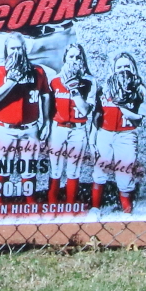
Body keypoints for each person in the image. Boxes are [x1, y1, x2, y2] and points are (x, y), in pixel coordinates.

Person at [0, 35, 51, 207]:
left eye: (19, 48)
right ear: (6, 51)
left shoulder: (37, 71)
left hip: (30, 128)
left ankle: (30, 204)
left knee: (29, 169)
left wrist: (46, 122)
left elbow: (45, 95)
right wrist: (11, 82)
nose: (16, 52)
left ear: (25, 49)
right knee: (2, 168)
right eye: (12, 48)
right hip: (4, 128)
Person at [91, 53, 145, 213]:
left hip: (126, 134)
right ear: (113, 70)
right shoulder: (105, 88)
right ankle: (95, 208)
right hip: (105, 133)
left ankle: (127, 210)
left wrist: (122, 105)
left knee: (125, 173)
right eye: (119, 67)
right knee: (100, 170)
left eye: (127, 66)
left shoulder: (138, 88)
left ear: (133, 68)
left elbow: (139, 119)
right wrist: (92, 139)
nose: (123, 70)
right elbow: (96, 115)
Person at [46, 44, 96, 208]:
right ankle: (52, 205)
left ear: (83, 60)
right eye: (71, 57)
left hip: (78, 129)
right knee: (55, 169)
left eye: (78, 57)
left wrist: (75, 91)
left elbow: (85, 111)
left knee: (73, 170)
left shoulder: (89, 82)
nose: (74, 61)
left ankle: (70, 206)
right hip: (58, 128)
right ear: (65, 59)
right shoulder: (54, 81)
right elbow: (48, 109)